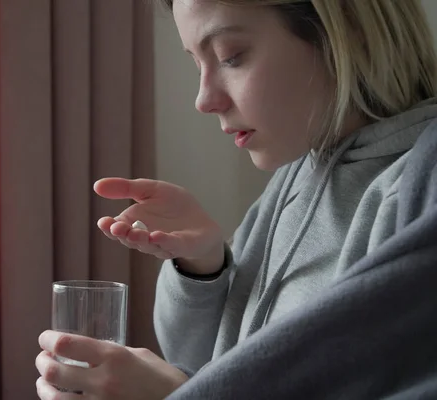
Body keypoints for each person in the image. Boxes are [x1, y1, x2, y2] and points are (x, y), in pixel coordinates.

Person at [35, 0, 437, 398]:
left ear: (347, 34)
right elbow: (206, 367)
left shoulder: (419, 187)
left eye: (230, 57)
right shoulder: (293, 181)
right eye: (197, 64)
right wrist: (203, 267)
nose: (204, 100)